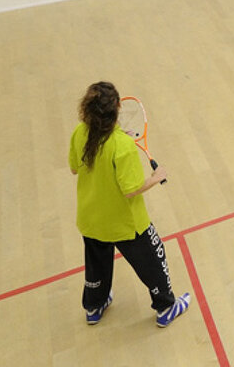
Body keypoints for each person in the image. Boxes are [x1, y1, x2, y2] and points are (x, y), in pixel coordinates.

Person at [69, 81, 191, 328]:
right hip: (127, 224)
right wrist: (156, 178)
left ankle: (94, 306)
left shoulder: (80, 132)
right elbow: (131, 190)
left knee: (97, 265)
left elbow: (74, 168)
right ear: (116, 109)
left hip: (91, 220)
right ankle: (166, 306)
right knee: (154, 260)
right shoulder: (122, 146)